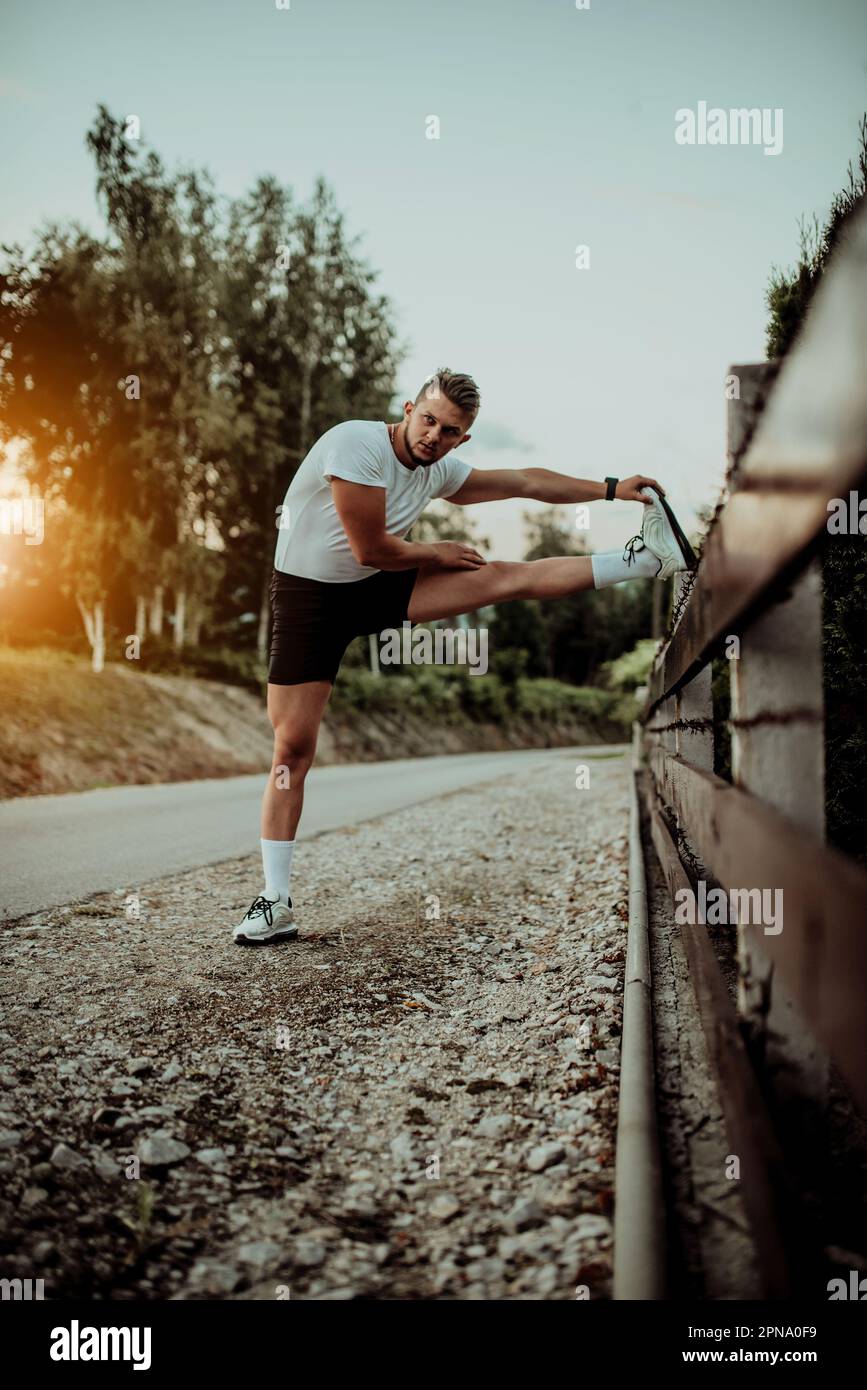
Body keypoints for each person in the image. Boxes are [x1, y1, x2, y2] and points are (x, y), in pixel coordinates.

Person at [233, 368, 695, 943]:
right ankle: (275, 900)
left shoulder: (441, 468)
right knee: (293, 748)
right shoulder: (356, 444)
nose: (434, 436)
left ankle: (646, 560)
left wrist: (610, 488)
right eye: (428, 420)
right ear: (407, 410)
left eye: (449, 431)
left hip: (381, 582)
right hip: (310, 598)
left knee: (504, 577)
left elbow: (526, 480)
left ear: (463, 438)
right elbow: (370, 546)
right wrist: (439, 551)